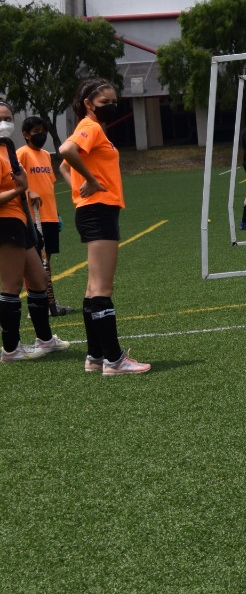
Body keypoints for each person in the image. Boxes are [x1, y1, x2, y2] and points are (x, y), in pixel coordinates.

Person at [56, 79, 149, 374]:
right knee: (101, 288)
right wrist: (91, 183)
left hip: (94, 209)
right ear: (88, 103)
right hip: (99, 210)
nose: (112, 106)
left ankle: (96, 356)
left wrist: (78, 190)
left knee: (92, 288)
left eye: (114, 101)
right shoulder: (91, 127)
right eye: (105, 102)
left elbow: (63, 167)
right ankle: (114, 359)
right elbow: (65, 151)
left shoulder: (93, 129)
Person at [0, 102, 70, 361]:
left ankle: (44, 340)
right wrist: (20, 190)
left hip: (21, 222)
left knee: (39, 280)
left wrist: (30, 220)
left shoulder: (8, 151)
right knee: (12, 285)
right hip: (4, 223)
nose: (5, 122)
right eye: (1, 118)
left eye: (8, 117)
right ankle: (10, 349)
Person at [17, 115, 73, 315]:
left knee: (46, 263)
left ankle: (49, 304)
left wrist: (55, 214)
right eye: (36, 132)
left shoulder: (46, 155)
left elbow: (48, 186)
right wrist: (28, 192)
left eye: (43, 131)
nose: (41, 135)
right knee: (36, 265)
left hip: (48, 216)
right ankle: (41, 305)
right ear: (26, 134)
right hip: (33, 218)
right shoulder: (22, 154)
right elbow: (15, 183)